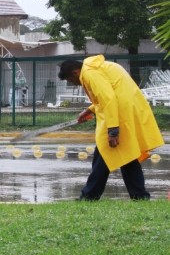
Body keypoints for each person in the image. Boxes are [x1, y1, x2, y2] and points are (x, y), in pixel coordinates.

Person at [57, 56, 164, 200]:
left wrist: (113, 130)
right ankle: (139, 195)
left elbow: (108, 99)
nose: (74, 84)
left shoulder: (89, 73)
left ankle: (90, 195)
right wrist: (90, 110)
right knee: (126, 155)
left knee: (107, 151)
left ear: (75, 72)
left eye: (70, 80)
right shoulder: (97, 68)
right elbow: (108, 95)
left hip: (120, 114)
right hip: (125, 110)